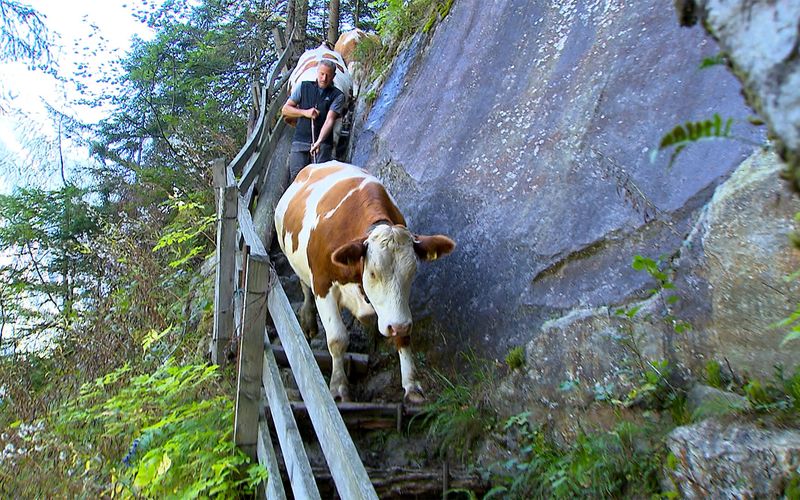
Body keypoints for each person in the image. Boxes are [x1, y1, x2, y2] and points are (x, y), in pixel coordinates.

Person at [281, 59, 345, 180]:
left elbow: (330, 120)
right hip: (300, 142)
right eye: (322, 74)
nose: (324, 78)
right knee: (297, 179)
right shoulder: (303, 87)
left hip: (323, 145)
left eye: (328, 75)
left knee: (320, 181)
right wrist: (305, 112)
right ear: (317, 72)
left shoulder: (338, 95)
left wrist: (319, 141)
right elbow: (285, 109)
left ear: (333, 76)